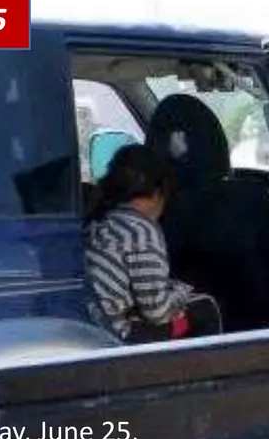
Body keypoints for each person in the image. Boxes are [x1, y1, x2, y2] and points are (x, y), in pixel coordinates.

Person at [81, 144, 221, 343]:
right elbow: (158, 313)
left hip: (97, 322)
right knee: (204, 310)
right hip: (126, 335)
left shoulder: (102, 220)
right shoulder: (143, 232)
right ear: (158, 192)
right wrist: (181, 292)